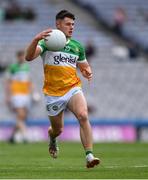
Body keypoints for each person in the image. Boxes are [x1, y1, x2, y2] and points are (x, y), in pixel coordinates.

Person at [25, 10, 100, 168]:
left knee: (83, 115)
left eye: (73, 24)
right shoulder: (47, 43)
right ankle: (52, 138)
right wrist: (36, 39)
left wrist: (88, 71)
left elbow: (84, 65)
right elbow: (28, 57)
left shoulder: (77, 46)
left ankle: (89, 155)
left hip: (73, 88)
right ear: (58, 24)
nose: (71, 27)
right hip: (53, 94)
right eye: (68, 24)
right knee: (58, 130)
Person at [5, 50, 33, 143]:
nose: (22, 58)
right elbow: (8, 82)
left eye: (23, 56)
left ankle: (12, 137)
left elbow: (29, 81)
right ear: (17, 57)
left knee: (22, 117)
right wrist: (8, 96)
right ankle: (25, 136)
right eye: (20, 56)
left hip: (25, 94)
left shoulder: (26, 67)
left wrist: (32, 93)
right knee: (20, 115)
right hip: (16, 94)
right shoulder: (13, 68)